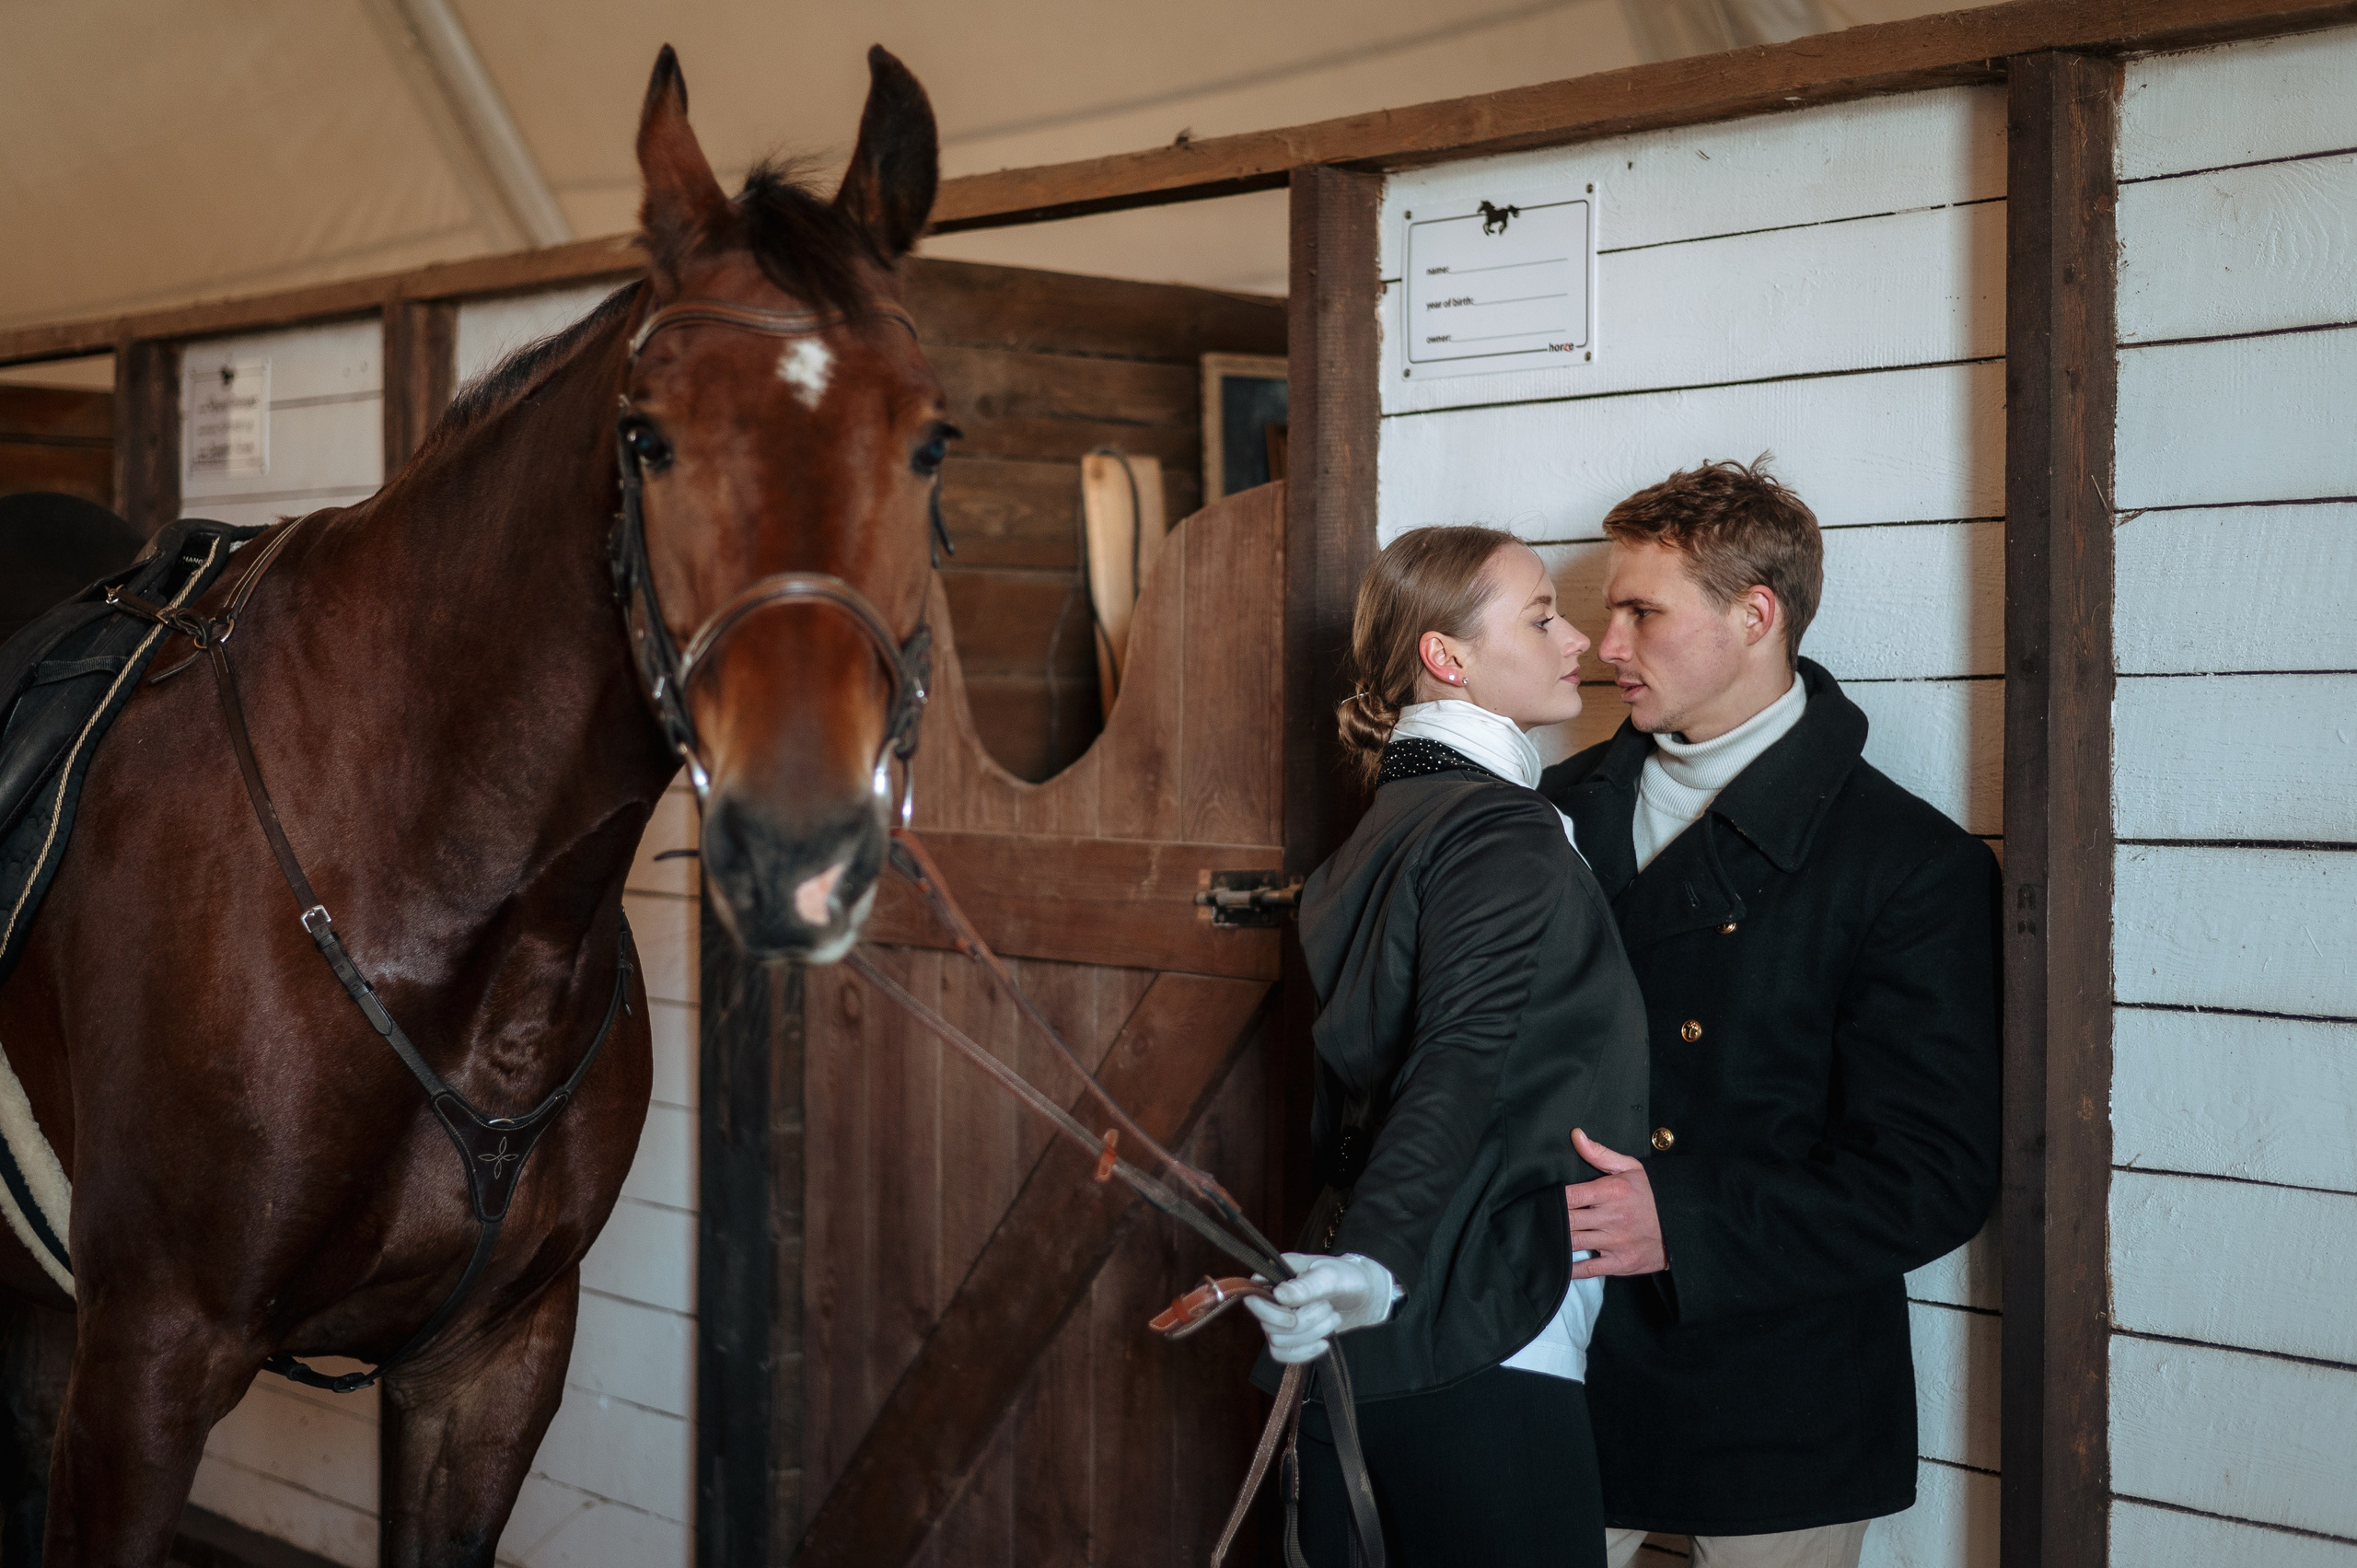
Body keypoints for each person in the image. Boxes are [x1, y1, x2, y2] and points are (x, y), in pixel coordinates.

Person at [1539, 461, 2001, 1568]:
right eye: (1610, 610)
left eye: (1642, 610)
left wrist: (1682, 1222)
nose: (1606, 646)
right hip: (1551, 1356)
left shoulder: (1906, 864)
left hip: (1775, 1385)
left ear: (1756, 615)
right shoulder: (1542, 816)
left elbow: (1934, 1170)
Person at [1243, 524, 1650, 1567]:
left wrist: (1364, 1257)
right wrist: (1376, 1256)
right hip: (1480, 1325)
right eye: (1542, 613)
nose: (1578, 640)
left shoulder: (1384, 829)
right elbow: (1455, 1056)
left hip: (1366, 1346)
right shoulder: (1499, 829)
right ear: (1445, 656)